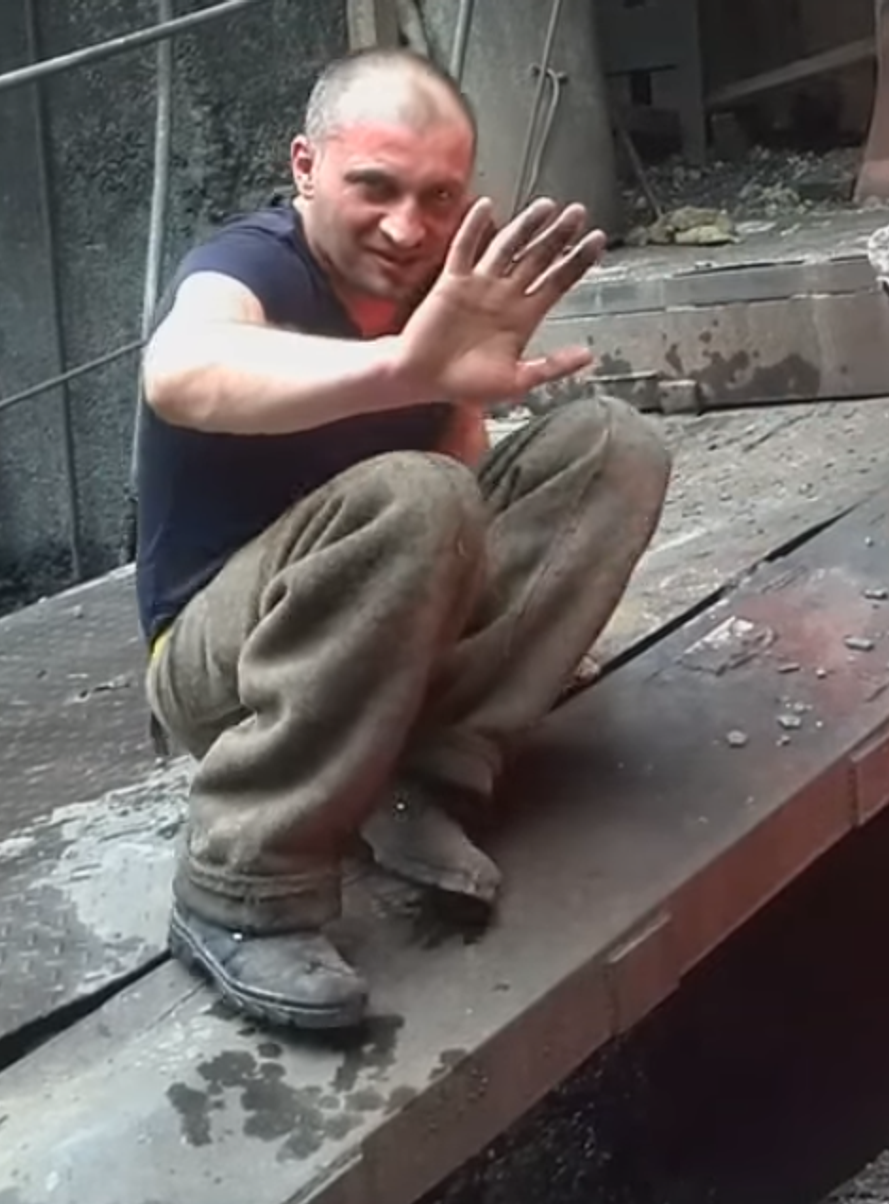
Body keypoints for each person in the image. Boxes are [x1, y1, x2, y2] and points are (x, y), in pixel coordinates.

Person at [134, 47, 671, 1030]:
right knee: (416, 493)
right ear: (305, 167)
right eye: (374, 188)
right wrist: (401, 369)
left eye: (438, 197)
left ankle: (426, 773)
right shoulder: (248, 264)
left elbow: (462, 474)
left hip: (373, 654)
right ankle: (239, 880)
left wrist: (527, 618)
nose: (407, 227)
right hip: (228, 669)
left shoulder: (438, 283)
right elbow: (180, 371)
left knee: (612, 444)